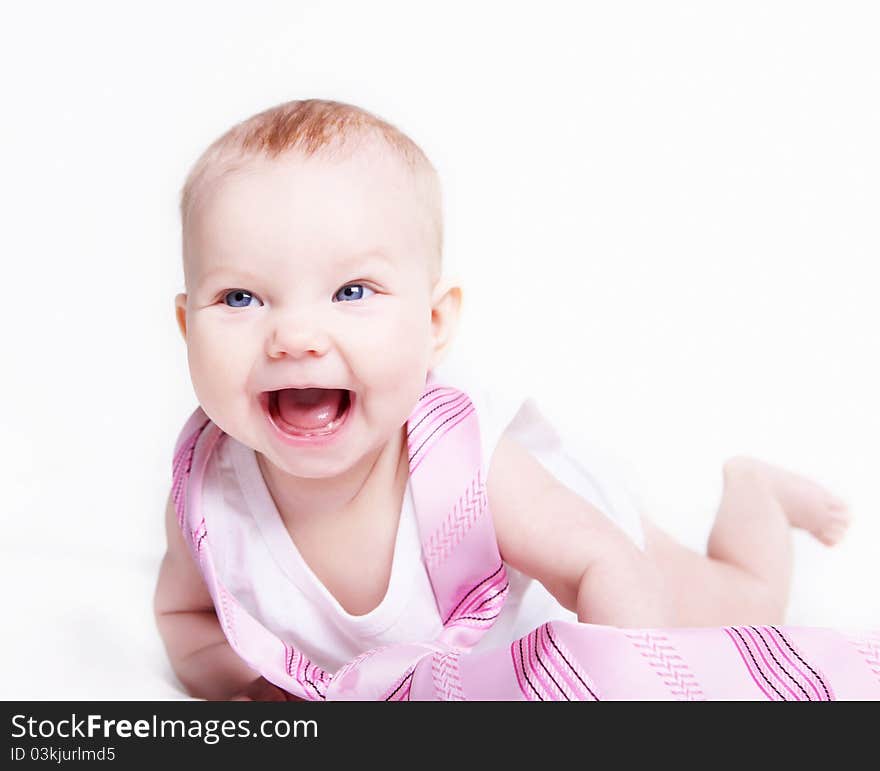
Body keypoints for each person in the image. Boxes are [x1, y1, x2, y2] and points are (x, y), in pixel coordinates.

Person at [154, 98, 851, 701]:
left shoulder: (465, 468)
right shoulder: (211, 497)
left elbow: (603, 565)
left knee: (746, 602)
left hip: (591, 547)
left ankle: (752, 487)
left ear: (434, 326)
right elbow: (186, 620)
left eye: (351, 292)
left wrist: (627, 688)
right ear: (188, 327)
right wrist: (245, 683)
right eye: (240, 297)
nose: (295, 335)